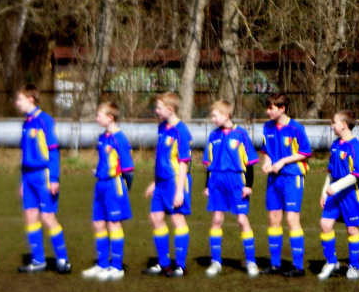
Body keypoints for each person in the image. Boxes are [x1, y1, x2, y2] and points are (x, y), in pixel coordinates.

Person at [15, 84, 71, 274]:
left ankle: (63, 260)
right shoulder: (26, 123)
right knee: (30, 215)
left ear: (30, 99)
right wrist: (23, 181)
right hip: (28, 176)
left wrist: (54, 178)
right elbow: (25, 155)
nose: (17, 103)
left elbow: (54, 151)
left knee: (47, 217)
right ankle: (38, 260)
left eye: (20, 99)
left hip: (44, 175)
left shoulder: (45, 120)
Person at [202, 100, 260, 277]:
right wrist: (207, 186)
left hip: (236, 181)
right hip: (217, 180)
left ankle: (251, 261)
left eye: (215, 116)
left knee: (242, 221)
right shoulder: (213, 136)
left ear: (225, 115)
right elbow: (209, 164)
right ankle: (215, 261)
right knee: (217, 220)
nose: (213, 119)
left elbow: (249, 163)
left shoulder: (241, 134)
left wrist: (248, 185)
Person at [261, 93, 312, 277]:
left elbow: (305, 152)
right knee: (273, 220)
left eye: (271, 108)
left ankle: (298, 266)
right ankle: (275, 264)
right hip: (274, 179)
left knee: (292, 220)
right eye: (267, 107)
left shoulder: (296, 128)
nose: (267, 111)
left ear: (282, 108)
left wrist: (282, 162)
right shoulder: (267, 127)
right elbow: (266, 150)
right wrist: (267, 162)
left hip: (292, 177)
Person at [82, 102, 134, 281]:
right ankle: (103, 264)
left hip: (114, 185)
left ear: (110, 117)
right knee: (98, 224)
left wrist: (125, 186)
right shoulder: (102, 137)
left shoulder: (120, 138)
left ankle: (117, 267)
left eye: (99, 115)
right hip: (100, 184)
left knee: (114, 224)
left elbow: (128, 168)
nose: (97, 118)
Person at [143, 92, 192, 277]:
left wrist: (180, 191)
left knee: (177, 219)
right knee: (156, 218)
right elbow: (161, 158)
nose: (156, 111)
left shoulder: (182, 131)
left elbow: (183, 163)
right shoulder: (162, 127)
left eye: (159, 108)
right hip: (161, 183)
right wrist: (155, 183)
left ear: (170, 109)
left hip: (175, 183)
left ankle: (180, 265)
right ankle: (163, 263)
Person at [318, 110, 359, 281]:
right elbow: (331, 171)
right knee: (325, 224)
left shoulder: (357, 147)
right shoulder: (335, 144)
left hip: (351, 193)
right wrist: (325, 191)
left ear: (344, 125)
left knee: (352, 229)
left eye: (334, 122)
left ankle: (355, 266)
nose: (332, 125)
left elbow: (357, 174)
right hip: (334, 192)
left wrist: (337, 186)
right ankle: (332, 262)